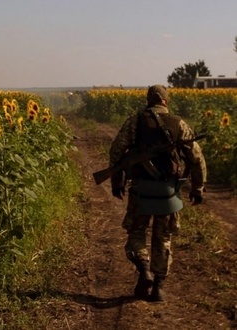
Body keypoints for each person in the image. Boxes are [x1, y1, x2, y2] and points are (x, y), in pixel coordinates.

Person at [108, 85, 207, 302]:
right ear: (165, 101)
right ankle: (158, 287)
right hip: (168, 193)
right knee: (163, 238)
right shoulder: (178, 122)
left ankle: (144, 269)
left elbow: (116, 150)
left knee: (136, 232)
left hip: (141, 191)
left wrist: (117, 182)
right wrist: (198, 189)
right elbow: (197, 158)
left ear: (148, 100)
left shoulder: (135, 120)